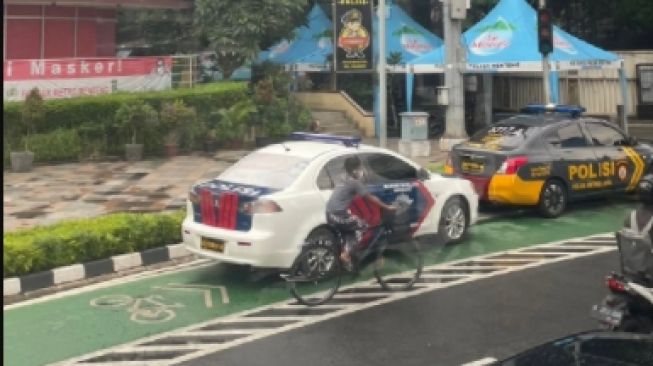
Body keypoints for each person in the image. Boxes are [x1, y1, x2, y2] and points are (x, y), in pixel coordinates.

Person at [325, 156, 395, 270]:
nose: (361, 170)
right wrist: (387, 207)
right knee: (362, 226)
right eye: (359, 167)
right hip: (338, 214)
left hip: (329, 213)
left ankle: (347, 262)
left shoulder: (343, 178)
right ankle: (345, 255)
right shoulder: (354, 182)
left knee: (349, 233)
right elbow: (370, 198)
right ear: (354, 170)